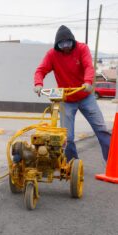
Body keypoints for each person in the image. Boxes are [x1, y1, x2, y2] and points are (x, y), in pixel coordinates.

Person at [34, 25, 110, 163]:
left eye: (68, 43)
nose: (65, 47)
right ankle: (72, 165)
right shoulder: (52, 55)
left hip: (85, 96)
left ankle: (113, 163)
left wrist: (87, 82)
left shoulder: (82, 49)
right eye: (61, 44)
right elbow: (40, 70)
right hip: (66, 99)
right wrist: (38, 84)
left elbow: (88, 66)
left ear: (73, 41)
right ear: (57, 45)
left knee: (102, 129)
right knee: (67, 137)